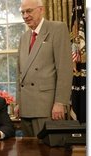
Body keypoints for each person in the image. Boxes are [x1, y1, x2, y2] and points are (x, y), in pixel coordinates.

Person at [15, 0, 73, 136]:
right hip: (25, 108)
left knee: (48, 154)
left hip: (47, 107)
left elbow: (64, 69)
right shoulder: (24, 38)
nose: (25, 16)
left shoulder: (57, 29)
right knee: (28, 152)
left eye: (29, 11)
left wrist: (60, 102)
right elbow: (19, 73)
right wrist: (18, 103)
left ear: (41, 10)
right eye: (22, 12)